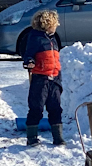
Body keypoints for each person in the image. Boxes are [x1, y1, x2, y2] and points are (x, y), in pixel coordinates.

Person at [21, 8, 66, 148]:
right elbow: (28, 53)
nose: (57, 25)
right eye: (55, 23)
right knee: (36, 107)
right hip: (40, 78)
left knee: (55, 108)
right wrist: (29, 61)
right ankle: (32, 137)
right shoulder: (35, 38)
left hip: (54, 78)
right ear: (47, 23)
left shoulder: (53, 39)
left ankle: (58, 137)